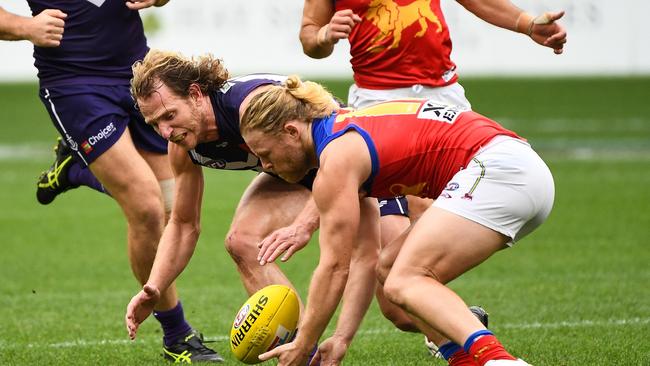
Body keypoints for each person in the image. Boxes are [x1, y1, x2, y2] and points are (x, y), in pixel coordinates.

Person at [295, 0, 566, 350]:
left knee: (401, 275)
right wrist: (325, 36)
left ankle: (461, 340)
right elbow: (308, 36)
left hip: (442, 99)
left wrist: (526, 23)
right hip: (377, 109)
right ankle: (458, 328)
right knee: (393, 291)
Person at [239, 76, 555, 366]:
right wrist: (341, 339)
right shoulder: (344, 132)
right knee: (391, 268)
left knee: (407, 278)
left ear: (292, 131)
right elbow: (365, 257)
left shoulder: (337, 158)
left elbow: (335, 266)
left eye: (266, 153)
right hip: (513, 169)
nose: (266, 165)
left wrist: (303, 344)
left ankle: (497, 360)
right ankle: (467, 361)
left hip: (500, 173)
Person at [124, 49, 380, 365]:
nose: (164, 131)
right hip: (293, 172)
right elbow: (183, 224)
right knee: (242, 242)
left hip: (358, 163)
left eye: (169, 115)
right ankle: (304, 353)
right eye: (154, 123)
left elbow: (341, 152)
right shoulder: (182, 146)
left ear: (194, 94)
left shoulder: (248, 107)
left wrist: (303, 224)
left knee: (397, 296)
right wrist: (154, 286)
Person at [0, 2, 223, 363]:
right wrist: (26, 26)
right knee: (146, 208)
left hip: (139, 76)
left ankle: (75, 169)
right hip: (74, 83)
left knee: (168, 208)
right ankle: (176, 335)